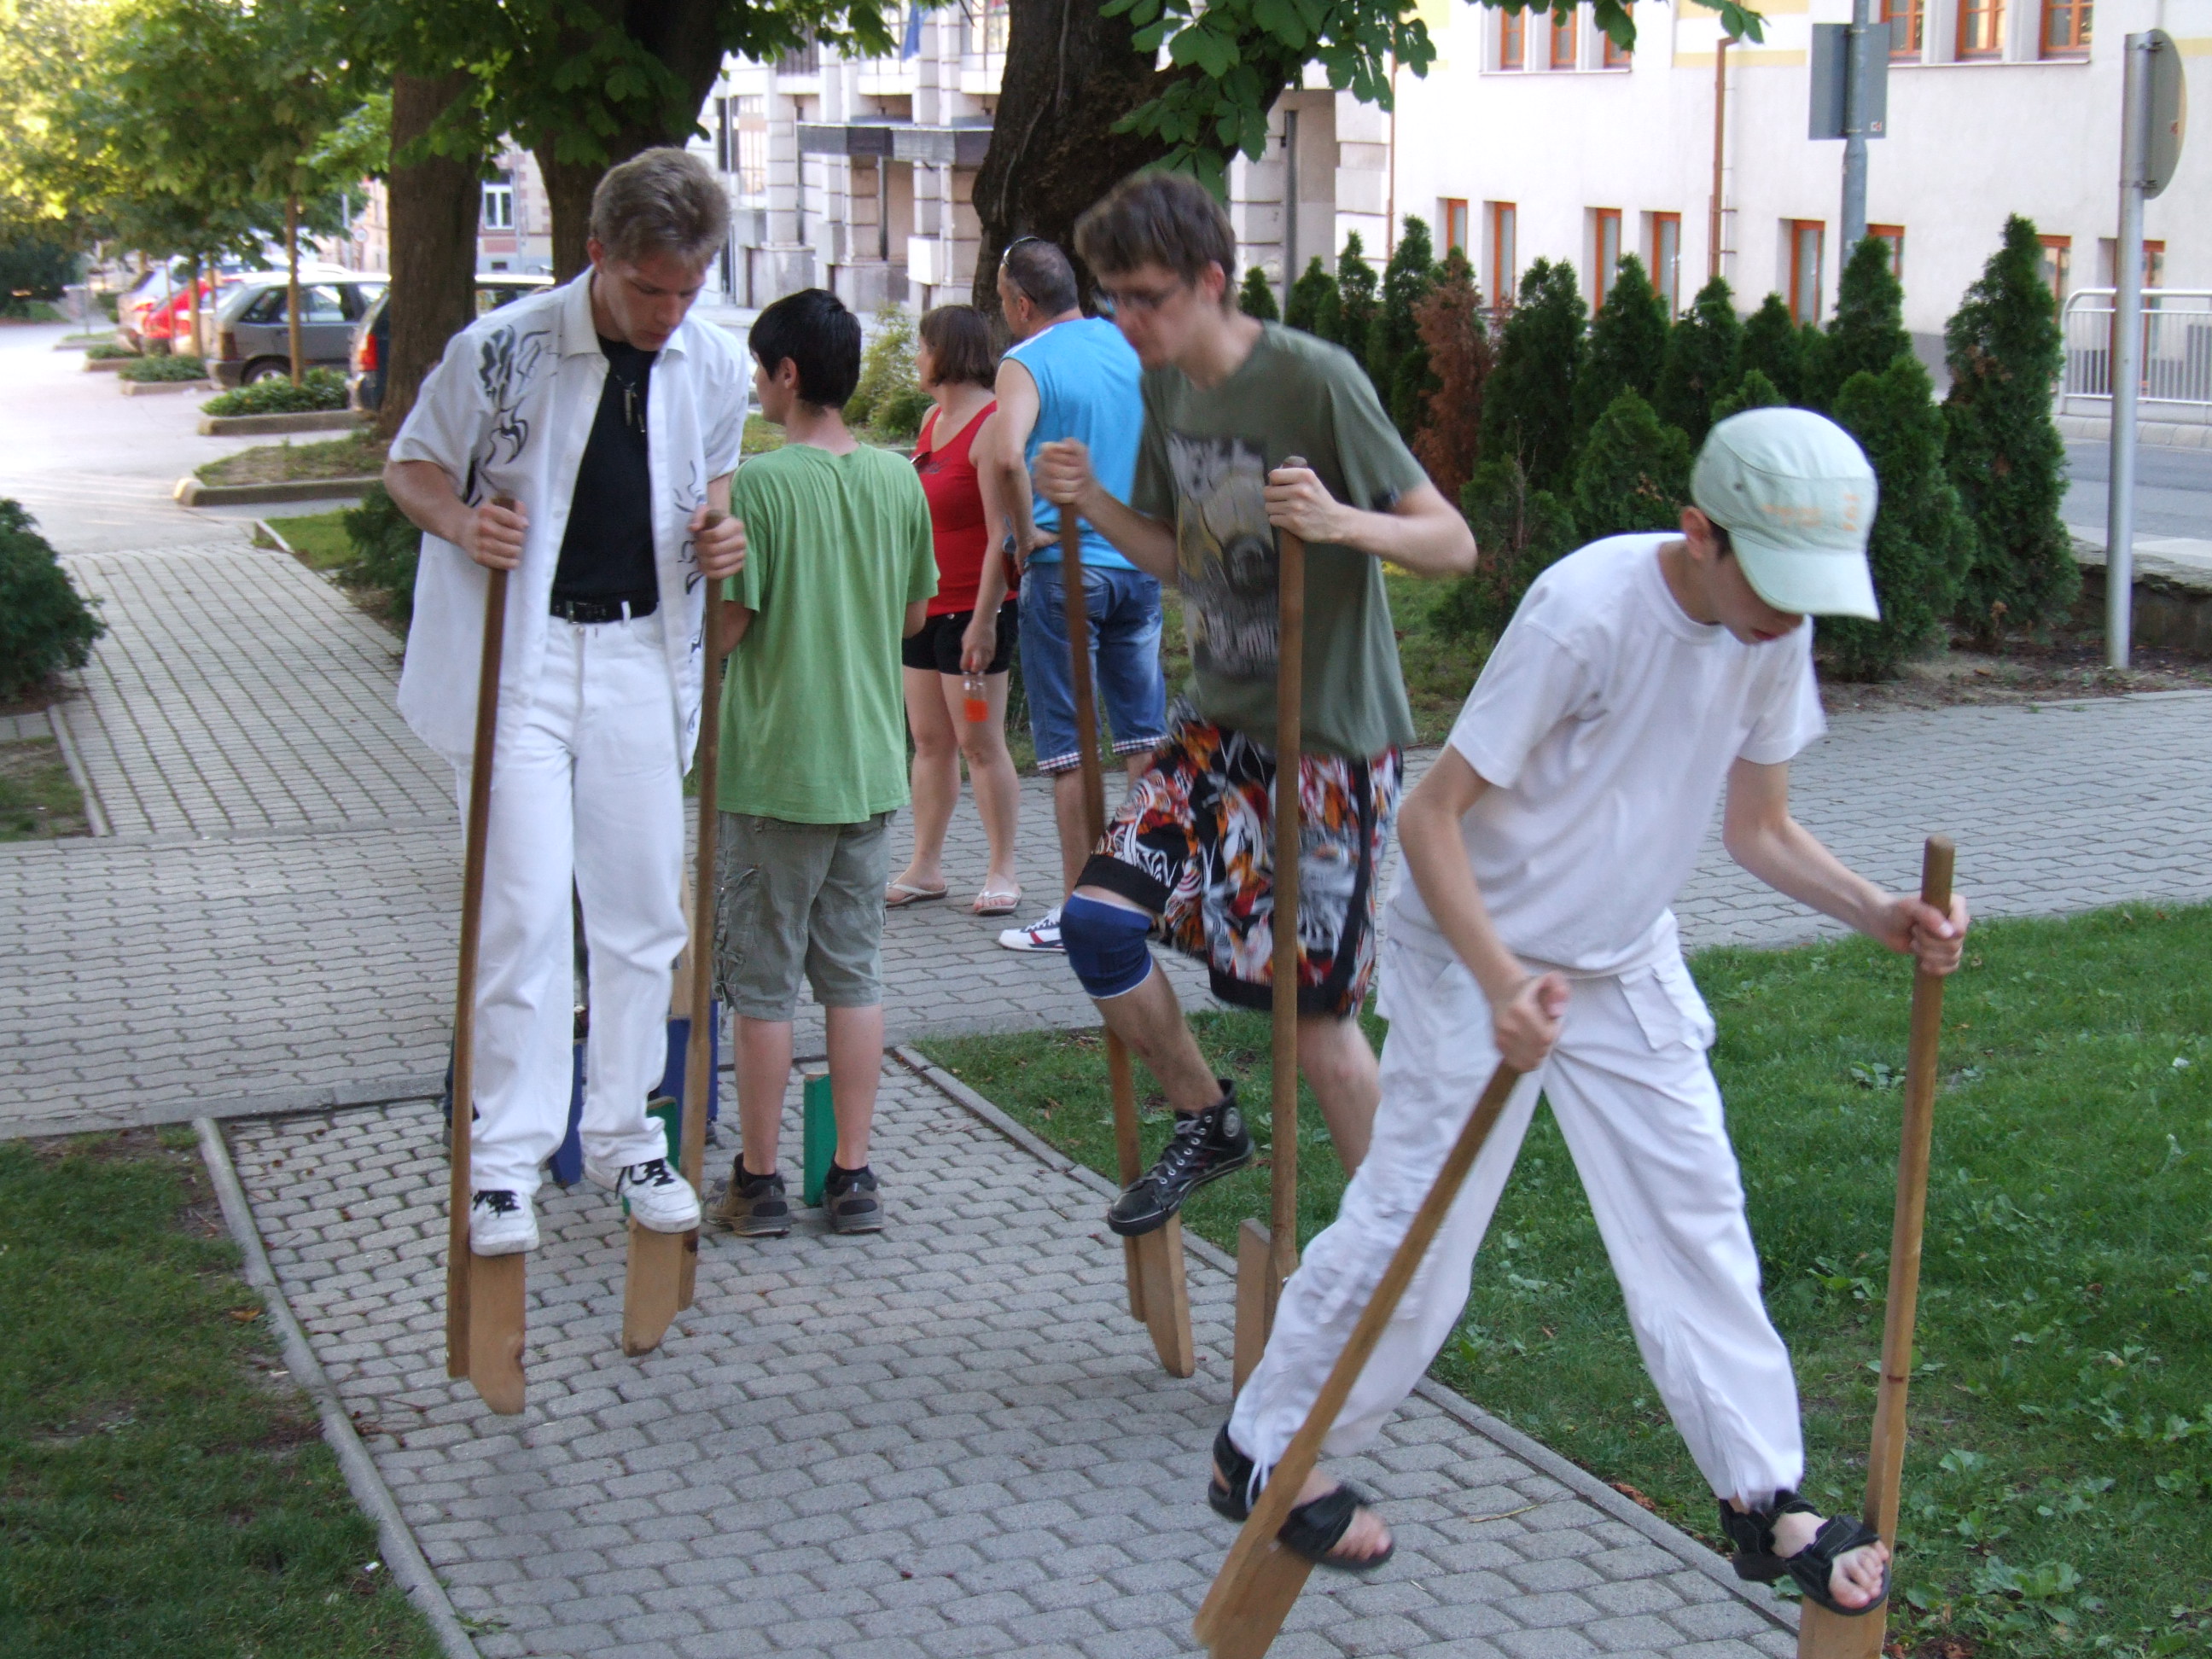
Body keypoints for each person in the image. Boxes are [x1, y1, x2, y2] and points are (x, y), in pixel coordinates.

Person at [1215, 409, 1970, 1611]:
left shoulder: (1771, 628)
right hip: (1479, 949)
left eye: (1808, 595)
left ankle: (1762, 1496)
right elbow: (1429, 817)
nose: (1790, 618)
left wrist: (1875, 910)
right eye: (1774, 586)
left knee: (1696, 1219)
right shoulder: (1587, 612)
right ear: (1700, 533)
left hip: (1621, 958)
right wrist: (1503, 982)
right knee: (1423, 1240)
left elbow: (1760, 828)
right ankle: (1267, 1453)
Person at [1031, 172, 1475, 1226]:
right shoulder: (1166, 387)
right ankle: (1207, 1118)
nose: (1126, 320)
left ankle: (1398, 1257)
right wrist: (1091, 502)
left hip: (1325, 744)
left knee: (1310, 1022)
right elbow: (1182, 559)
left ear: (1211, 280)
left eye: (1146, 297)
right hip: (1214, 732)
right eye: (1112, 297)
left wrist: (1338, 522)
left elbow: (1450, 542)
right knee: (1095, 923)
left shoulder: (1315, 381)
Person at [385, 148, 747, 1256]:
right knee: (525, 912)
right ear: (597, 254)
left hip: (644, 651)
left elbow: (714, 483)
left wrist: (721, 534)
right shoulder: (503, 351)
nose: (669, 312)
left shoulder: (709, 361)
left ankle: (628, 1131)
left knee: (644, 915)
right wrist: (461, 523)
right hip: (523, 660)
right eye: (649, 289)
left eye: (688, 290)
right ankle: (505, 1160)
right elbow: (411, 464)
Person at [707, 288, 938, 1240]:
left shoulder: (758, 488)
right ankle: (852, 1176)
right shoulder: (898, 479)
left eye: (759, 371)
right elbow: (915, 616)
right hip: (871, 766)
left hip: (775, 771)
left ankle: (759, 1179)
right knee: (854, 977)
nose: (756, 388)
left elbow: (729, 626)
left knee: (763, 987)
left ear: (788, 373)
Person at [981, 236, 1167, 954]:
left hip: (1067, 570)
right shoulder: (1128, 345)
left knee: (1071, 751)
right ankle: (1146, 901)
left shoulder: (1026, 361)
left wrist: (1024, 535)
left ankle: (1079, 914)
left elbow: (1006, 455)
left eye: (1005, 301)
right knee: (1142, 743)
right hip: (1136, 563)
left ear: (1023, 303)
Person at [885, 305, 1024, 918]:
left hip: (974, 612)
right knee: (929, 740)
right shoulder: (931, 420)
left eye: (922, 346)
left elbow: (1004, 535)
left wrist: (985, 620)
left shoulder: (991, 426)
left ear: (946, 351)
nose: (916, 358)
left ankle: (1003, 870)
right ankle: (926, 866)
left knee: (979, 741)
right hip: (927, 607)